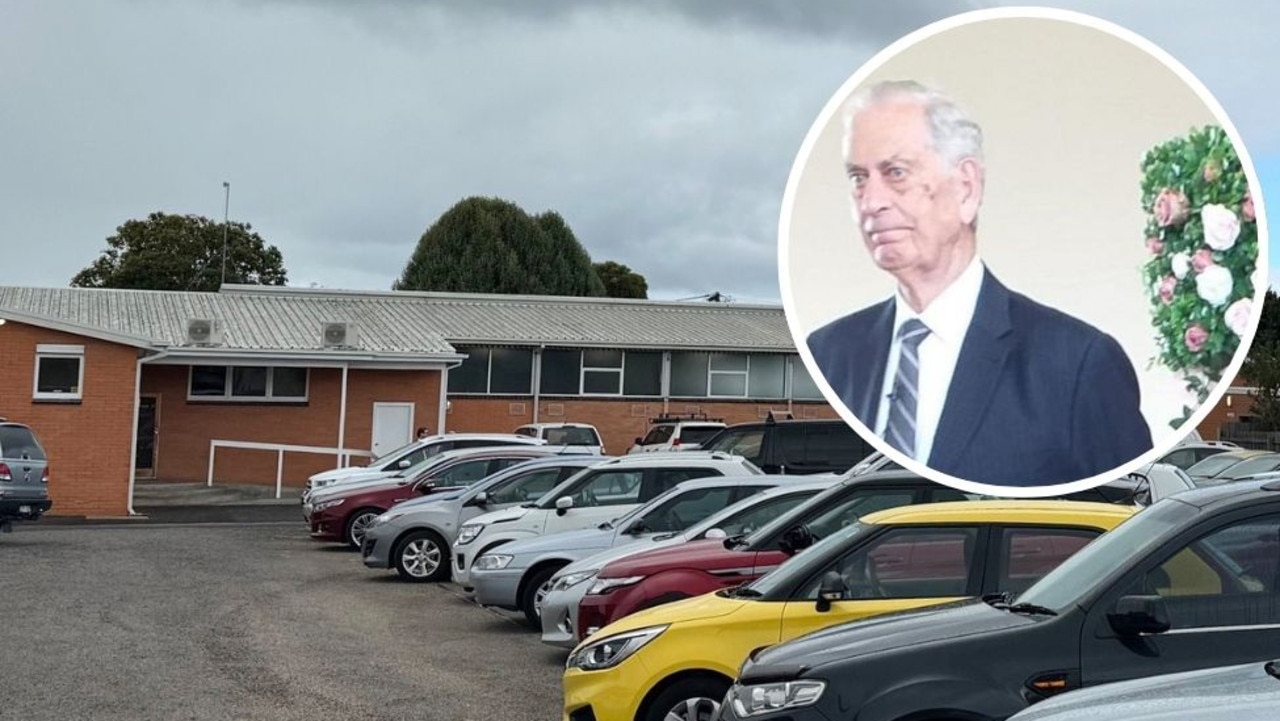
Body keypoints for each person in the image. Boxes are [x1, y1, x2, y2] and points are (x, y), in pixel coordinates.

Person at [805, 79, 1152, 487]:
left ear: (966, 188)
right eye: (858, 178)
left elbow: (1135, 516)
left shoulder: (1077, 364)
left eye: (896, 172)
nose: (871, 201)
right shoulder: (829, 352)